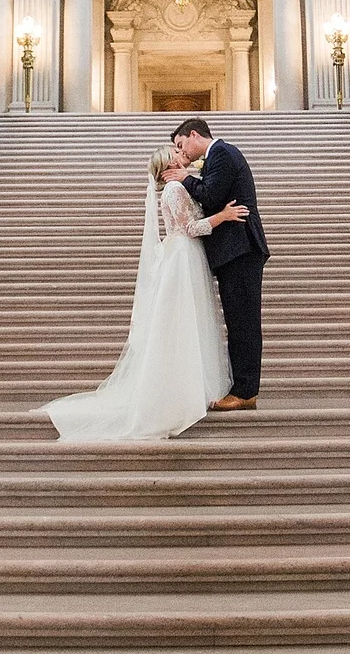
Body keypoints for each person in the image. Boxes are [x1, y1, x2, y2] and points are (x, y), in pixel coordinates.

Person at [42, 145, 239, 441]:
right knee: (182, 321)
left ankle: (189, 386)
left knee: (188, 321)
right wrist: (223, 216)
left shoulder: (178, 186)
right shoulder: (174, 189)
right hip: (183, 256)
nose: (181, 153)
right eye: (175, 152)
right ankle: (178, 391)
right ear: (168, 164)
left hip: (185, 256)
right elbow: (189, 228)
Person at [172, 117, 269, 411]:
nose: (182, 152)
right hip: (233, 251)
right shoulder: (217, 156)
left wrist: (184, 178)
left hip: (240, 249)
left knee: (243, 323)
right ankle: (242, 387)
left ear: (194, 134)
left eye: (181, 145)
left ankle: (245, 391)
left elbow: (211, 195)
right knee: (238, 322)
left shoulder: (222, 153)